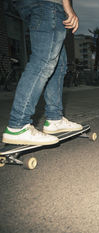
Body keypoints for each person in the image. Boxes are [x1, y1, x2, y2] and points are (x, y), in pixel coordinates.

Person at [2, 0, 82, 146]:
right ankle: (18, 125)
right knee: (43, 62)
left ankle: (54, 118)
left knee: (59, 63)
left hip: (28, 5)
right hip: (48, 3)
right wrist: (68, 7)